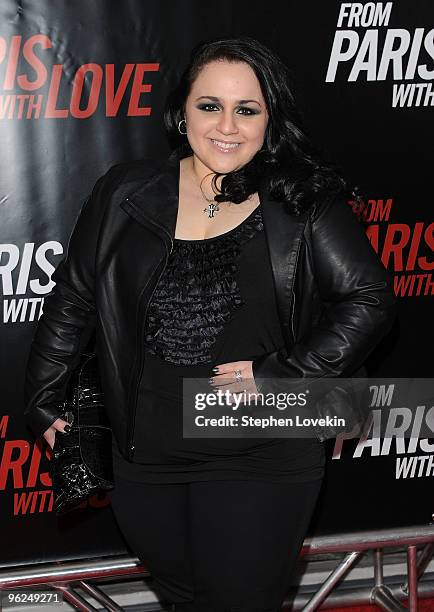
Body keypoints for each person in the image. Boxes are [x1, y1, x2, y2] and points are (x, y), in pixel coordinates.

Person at [24, 36, 397, 611]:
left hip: (260, 445)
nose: (227, 125)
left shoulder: (303, 199)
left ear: (269, 120)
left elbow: (368, 297)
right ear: (182, 113)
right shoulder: (125, 191)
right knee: (183, 598)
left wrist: (283, 374)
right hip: (144, 449)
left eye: (247, 109)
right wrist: (45, 397)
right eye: (210, 106)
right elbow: (74, 296)